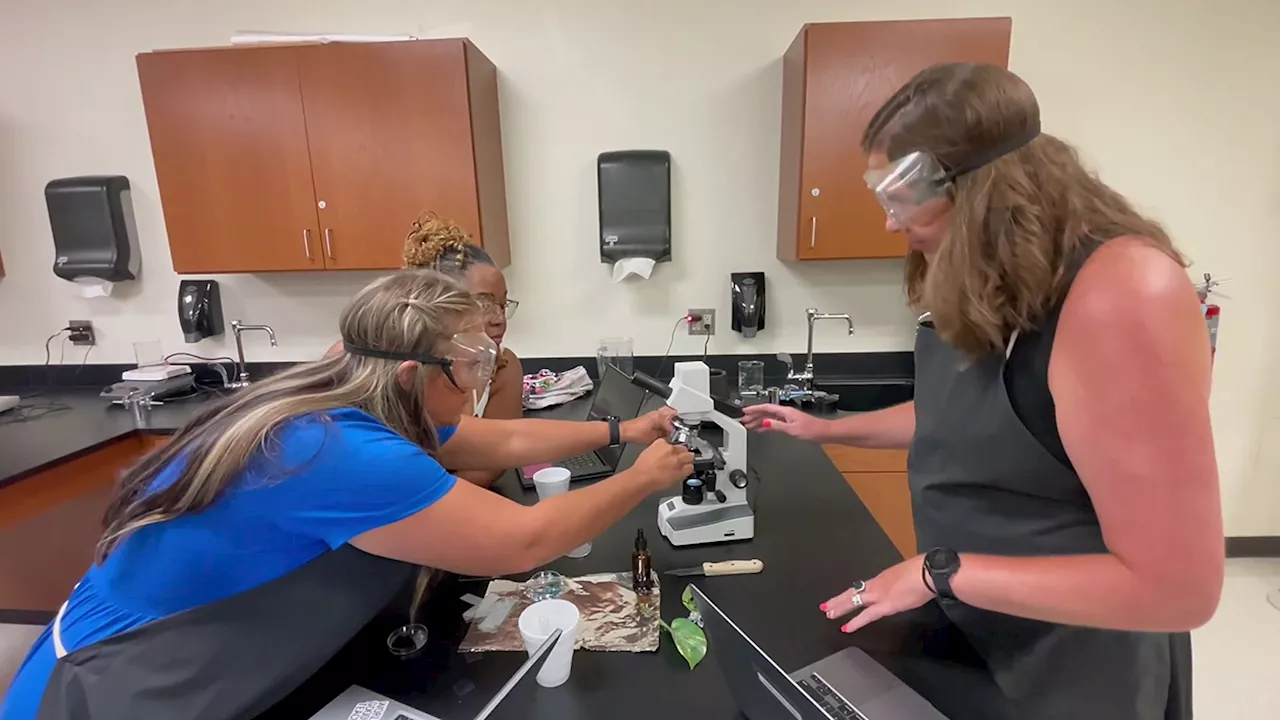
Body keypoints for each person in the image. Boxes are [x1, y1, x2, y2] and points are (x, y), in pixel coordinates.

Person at [743, 63, 1220, 720]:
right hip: (978, 626)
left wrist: (938, 571)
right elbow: (980, 419)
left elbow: (1179, 589)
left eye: (901, 196)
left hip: (1073, 662)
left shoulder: (1123, 292)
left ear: (981, 186)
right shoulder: (1012, 280)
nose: (890, 224)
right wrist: (825, 428)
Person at [2, 269, 692, 720]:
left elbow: (501, 443)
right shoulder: (335, 451)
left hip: (162, 657)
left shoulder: (339, 400)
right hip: (115, 688)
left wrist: (623, 427)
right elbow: (526, 541)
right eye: (470, 366)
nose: (480, 381)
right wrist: (642, 476)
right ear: (411, 374)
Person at [329, 212, 521, 488]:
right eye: (483, 303)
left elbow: (499, 452)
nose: (498, 318)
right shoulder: (359, 363)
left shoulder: (501, 367)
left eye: (502, 305)